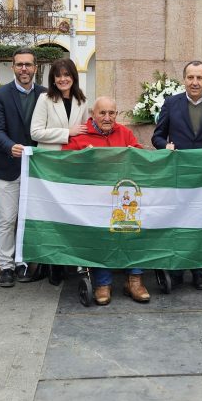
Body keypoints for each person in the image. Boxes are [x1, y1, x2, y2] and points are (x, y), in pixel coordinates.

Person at [64, 96, 148, 305]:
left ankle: (134, 280)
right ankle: (103, 283)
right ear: (93, 114)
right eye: (102, 113)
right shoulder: (80, 136)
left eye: (112, 113)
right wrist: (82, 159)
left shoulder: (125, 133)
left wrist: (140, 152)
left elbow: (141, 157)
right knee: (99, 233)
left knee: (135, 227)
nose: (107, 117)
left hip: (121, 199)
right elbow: (64, 165)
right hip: (93, 203)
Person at [152, 60, 202, 290]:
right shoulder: (171, 103)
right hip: (178, 177)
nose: (195, 82)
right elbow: (157, 136)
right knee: (178, 222)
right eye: (190, 77)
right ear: (184, 79)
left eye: (199, 78)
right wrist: (165, 147)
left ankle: (199, 270)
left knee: (201, 223)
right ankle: (176, 269)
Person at [0, 48, 46, 287]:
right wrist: (9, 146)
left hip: (38, 169)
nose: (24, 69)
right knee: (7, 219)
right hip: (8, 166)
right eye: (20, 64)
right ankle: (7, 266)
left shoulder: (45, 94)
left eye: (28, 65)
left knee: (32, 219)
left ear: (36, 68)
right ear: (13, 67)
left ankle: (26, 263)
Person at [30, 58, 89, 285]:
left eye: (66, 74)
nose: (62, 79)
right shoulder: (45, 99)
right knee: (51, 214)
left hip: (72, 165)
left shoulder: (81, 100)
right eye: (58, 75)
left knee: (68, 214)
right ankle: (51, 264)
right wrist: (67, 132)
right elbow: (35, 132)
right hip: (49, 165)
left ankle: (68, 261)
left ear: (73, 76)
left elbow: (83, 132)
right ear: (53, 79)